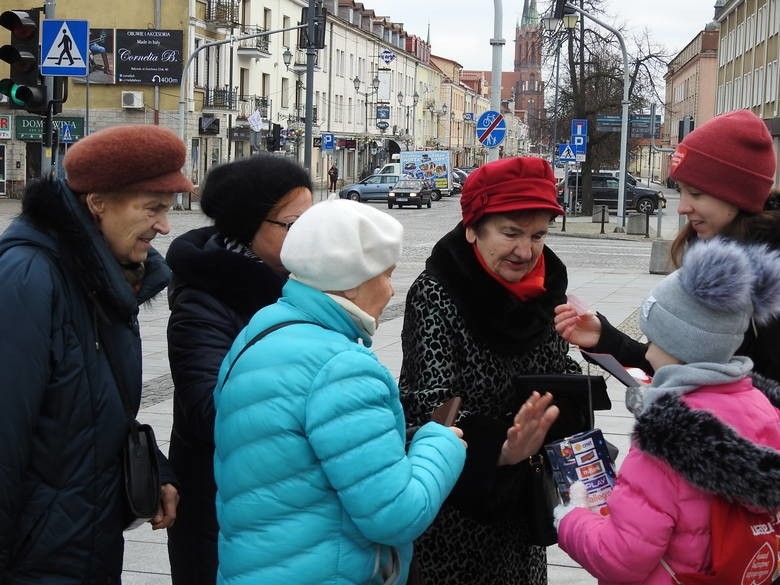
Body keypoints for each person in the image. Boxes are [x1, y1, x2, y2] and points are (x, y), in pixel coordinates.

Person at [213, 198, 466, 585]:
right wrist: (440, 444)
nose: (390, 291)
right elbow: (396, 515)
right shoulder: (343, 368)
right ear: (350, 281)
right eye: (384, 275)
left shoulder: (260, 331)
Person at [0, 124, 187, 583]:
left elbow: (90, 406)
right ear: (98, 202)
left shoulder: (105, 275)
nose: (164, 225)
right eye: (154, 208)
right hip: (34, 559)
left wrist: (150, 467)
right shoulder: (27, 278)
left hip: (83, 544)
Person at [554, 237, 780, 584]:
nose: (646, 350)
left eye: (652, 338)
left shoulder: (663, 440)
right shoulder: (763, 409)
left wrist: (572, 519)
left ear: (676, 342)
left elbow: (622, 557)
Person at [400, 156, 580, 585]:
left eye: (538, 235)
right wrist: (499, 448)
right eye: (511, 233)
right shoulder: (437, 292)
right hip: (458, 509)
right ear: (472, 228)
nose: (526, 251)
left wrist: (575, 392)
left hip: (527, 503)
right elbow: (429, 404)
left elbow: (556, 367)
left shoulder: (546, 289)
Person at [165, 155, 313, 585]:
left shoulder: (300, 284)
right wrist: (321, 410)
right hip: (220, 509)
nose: (308, 236)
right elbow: (210, 413)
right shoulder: (204, 300)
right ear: (250, 225)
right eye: (293, 224)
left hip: (281, 504)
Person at [555, 109, 780, 382]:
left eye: (696, 193)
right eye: (682, 190)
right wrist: (604, 338)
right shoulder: (710, 265)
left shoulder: (767, 289)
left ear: (739, 196)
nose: (683, 207)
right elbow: (676, 367)